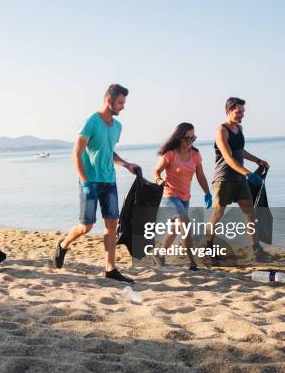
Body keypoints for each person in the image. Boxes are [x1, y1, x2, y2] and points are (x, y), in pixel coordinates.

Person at [52, 84, 141, 283]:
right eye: (120, 102)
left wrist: (126, 164)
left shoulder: (117, 127)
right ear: (109, 100)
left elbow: (109, 153)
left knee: (111, 225)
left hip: (109, 181)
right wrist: (85, 182)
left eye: (124, 103)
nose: (123, 107)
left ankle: (110, 269)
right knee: (87, 226)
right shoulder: (91, 121)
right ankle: (64, 244)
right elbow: (76, 153)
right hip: (90, 182)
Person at [205, 97, 271, 262]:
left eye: (243, 112)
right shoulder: (221, 130)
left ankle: (257, 250)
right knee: (218, 213)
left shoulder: (239, 128)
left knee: (250, 212)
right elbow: (228, 158)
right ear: (228, 111)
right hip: (224, 179)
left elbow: (240, 151)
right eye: (238, 112)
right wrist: (249, 174)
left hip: (239, 179)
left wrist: (257, 160)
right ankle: (208, 246)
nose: (242, 115)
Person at [152, 123, 212, 270]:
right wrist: (159, 180)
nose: (190, 142)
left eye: (193, 138)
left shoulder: (196, 154)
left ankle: (159, 255)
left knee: (174, 230)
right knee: (186, 227)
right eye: (187, 138)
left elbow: (201, 176)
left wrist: (207, 193)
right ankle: (192, 263)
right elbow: (156, 172)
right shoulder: (171, 154)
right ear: (179, 138)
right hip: (170, 196)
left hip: (185, 197)